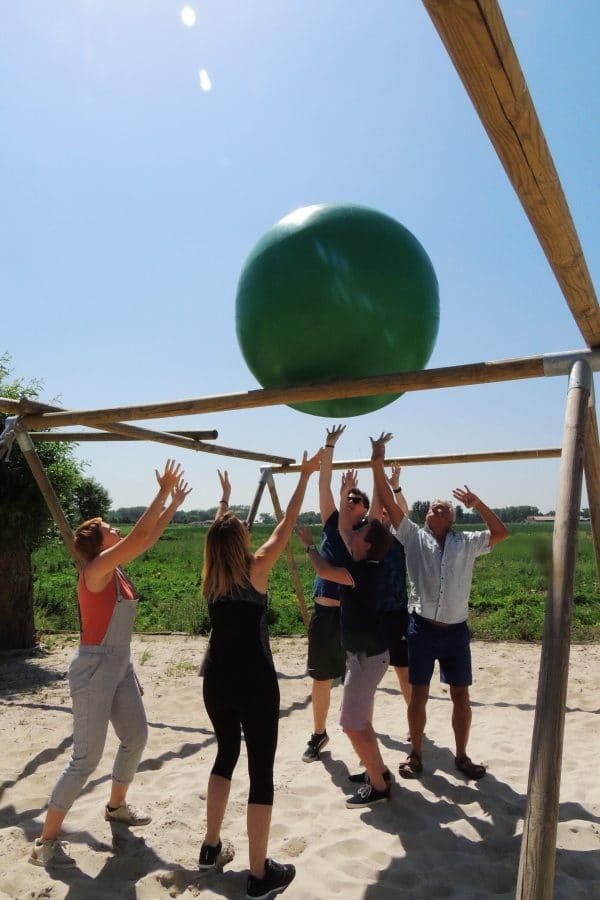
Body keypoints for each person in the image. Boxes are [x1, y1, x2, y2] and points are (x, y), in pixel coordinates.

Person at [29, 460, 191, 868]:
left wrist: (173, 504)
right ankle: (46, 842)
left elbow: (145, 540)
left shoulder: (114, 569)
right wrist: (161, 492)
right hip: (94, 669)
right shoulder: (97, 569)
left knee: (136, 736)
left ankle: (116, 808)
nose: (114, 528)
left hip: (120, 665)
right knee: (86, 758)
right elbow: (139, 535)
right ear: (99, 543)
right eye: (107, 528)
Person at [199, 450, 321, 900]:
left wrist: (224, 501)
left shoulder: (212, 575)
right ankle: (257, 874)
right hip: (254, 680)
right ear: (240, 543)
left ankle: (211, 846)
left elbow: (219, 535)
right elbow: (286, 523)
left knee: (225, 755)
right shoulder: (256, 569)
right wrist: (304, 477)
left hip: (216, 679)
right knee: (261, 772)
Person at [371, 433, 509, 780]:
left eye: (444, 507)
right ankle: (415, 754)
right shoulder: (413, 537)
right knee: (419, 694)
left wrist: (478, 503)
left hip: (456, 632)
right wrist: (377, 463)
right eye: (433, 506)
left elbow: (500, 533)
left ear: (452, 517)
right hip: (421, 629)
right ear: (426, 516)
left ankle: (461, 756)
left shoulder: (466, 542)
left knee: (461, 695)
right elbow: (387, 501)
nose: (437, 508)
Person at [298, 470, 393, 809]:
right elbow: (341, 529)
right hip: (366, 656)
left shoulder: (361, 571)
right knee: (360, 720)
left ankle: (378, 786)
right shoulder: (366, 562)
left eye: (359, 533)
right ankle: (379, 771)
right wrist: (343, 494)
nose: (351, 534)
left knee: (352, 725)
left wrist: (309, 545)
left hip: (367, 659)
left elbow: (324, 570)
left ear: (366, 545)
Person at [302, 424, 370, 764]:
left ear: (364, 510)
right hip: (323, 614)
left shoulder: (365, 534)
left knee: (357, 681)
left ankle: (363, 741)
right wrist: (329, 446)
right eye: (348, 498)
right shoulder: (331, 520)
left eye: (356, 500)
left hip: (350, 617)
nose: (349, 500)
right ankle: (318, 733)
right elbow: (323, 483)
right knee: (321, 678)